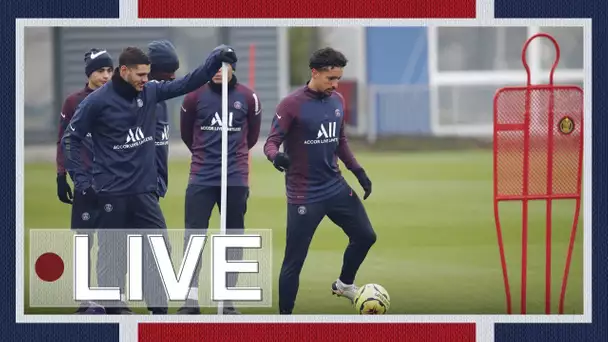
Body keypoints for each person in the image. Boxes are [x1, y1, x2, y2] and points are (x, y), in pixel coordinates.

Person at [61, 45, 237, 314]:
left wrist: (215, 59)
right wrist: (81, 182)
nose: (146, 79)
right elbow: (70, 139)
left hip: (144, 193)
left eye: (147, 74)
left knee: (159, 253)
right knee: (112, 255)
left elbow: (188, 82)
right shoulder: (96, 101)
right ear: (124, 71)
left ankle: (158, 310)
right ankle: (115, 308)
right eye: (141, 74)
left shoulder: (151, 92)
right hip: (111, 193)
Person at [263, 47, 376, 315]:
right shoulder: (291, 105)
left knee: (365, 236)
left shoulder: (337, 100)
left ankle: (344, 284)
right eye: (331, 78)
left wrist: (358, 172)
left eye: (338, 78)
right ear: (315, 72)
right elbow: (271, 142)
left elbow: (341, 141)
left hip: (335, 187)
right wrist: (275, 157)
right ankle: (285, 319)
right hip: (304, 194)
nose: (335, 84)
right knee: (294, 261)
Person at [177, 45, 262, 315]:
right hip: (201, 177)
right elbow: (187, 135)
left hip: (235, 178)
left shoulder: (248, 98)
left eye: (224, 65)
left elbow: (252, 138)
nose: (218, 71)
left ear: (232, 67)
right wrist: (206, 158)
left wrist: (233, 160)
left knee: (233, 239)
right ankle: (189, 300)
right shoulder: (193, 97)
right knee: (194, 239)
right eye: (214, 65)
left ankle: (228, 300)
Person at [55, 48, 113, 314]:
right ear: (89, 73)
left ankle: (110, 298)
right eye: (100, 71)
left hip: (114, 183)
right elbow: (63, 140)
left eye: (109, 70)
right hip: (84, 183)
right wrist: (61, 175)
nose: (105, 75)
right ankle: (84, 299)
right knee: (84, 242)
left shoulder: (118, 99)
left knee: (111, 243)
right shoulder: (73, 102)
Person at [147, 40, 180, 201]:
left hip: (155, 186)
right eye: (168, 70)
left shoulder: (162, 102)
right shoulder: (138, 101)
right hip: (140, 187)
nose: (173, 76)